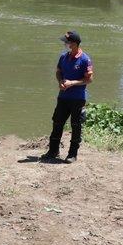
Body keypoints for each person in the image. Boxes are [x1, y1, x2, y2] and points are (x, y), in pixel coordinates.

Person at [42, 30, 93, 163]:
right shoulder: (63, 57)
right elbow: (58, 72)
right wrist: (60, 82)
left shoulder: (85, 59)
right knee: (57, 123)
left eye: (67, 42)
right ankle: (53, 151)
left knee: (76, 125)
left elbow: (89, 79)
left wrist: (72, 83)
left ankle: (72, 154)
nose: (65, 45)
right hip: (63, 97)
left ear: (74, 44)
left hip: (77, 98)